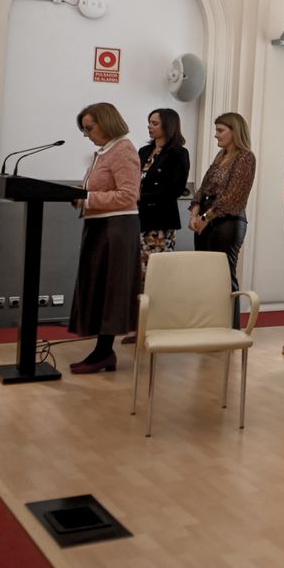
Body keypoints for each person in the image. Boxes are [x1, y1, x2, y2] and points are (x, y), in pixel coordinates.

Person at [68, 102, 141, 373]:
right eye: (84, 130)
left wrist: (86, 198)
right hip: (100, 226)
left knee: (110, 290)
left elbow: (127, 195)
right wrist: (81, 194)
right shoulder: (104, 152)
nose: (87, 134)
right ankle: (102, 352)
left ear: (106, 122)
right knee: (98, 289)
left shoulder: (123, 150)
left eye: (89, 128)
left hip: (117, 229)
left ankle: (103, 353)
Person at [190, 112, 256, 325]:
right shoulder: (220, 157)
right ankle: (209, 325)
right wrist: (195, 213)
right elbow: (203, 188)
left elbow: (233, 196)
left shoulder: (245, 157)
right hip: (207, 220)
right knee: (205, 276)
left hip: (228, 222)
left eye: (220, 130)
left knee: (224, 276)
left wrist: (206, 217)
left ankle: (229, 329)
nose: (216, 135)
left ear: (235, 131)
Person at [137, 107, 191, 277]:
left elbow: (174, 189)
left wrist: (140, 197)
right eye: (149, 123)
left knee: (155, 272)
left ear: (168, 126)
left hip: (159, 219)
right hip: (138, 216)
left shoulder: (178, 153)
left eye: (154, 123)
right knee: (136, 269)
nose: (149, 127)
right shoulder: (144, 151)